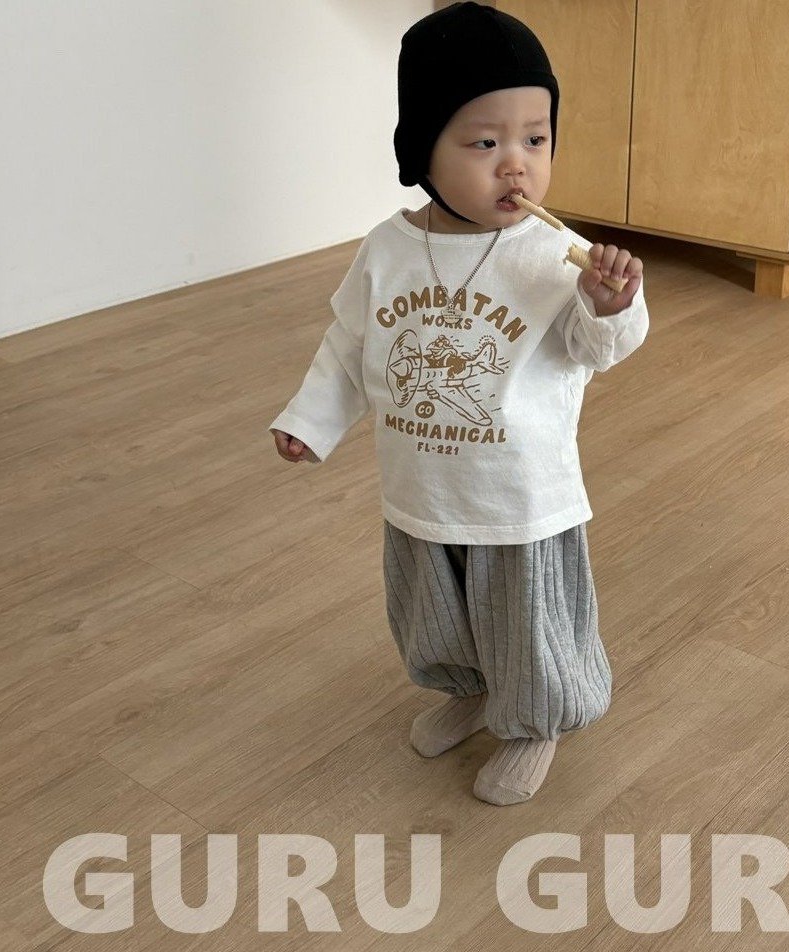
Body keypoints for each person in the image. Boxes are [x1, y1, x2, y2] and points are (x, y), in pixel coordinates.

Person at [271, 1, 648, 805]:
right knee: (432, 610)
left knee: (523, 621)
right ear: (422, 150)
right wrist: (310, 420)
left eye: (535, 140)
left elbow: (599, 348)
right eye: (485, 144)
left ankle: (534, 721)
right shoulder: (387, 249)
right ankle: (470, 691)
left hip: (520, 499)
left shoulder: (558, 256)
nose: (517, 166)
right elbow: (351, 346)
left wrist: (610, 303)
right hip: (421, 490)